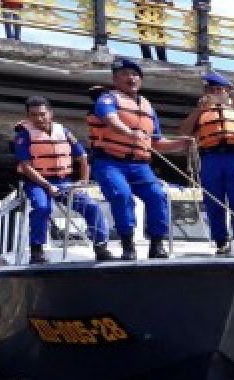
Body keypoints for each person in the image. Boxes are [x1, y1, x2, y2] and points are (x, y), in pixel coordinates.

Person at [87, 58, 191, 260]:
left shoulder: (147, 107)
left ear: (141, 79)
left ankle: (157, 245)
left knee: (157, 195)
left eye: (134, 74)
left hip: (139, 165)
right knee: (121, 195)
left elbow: (157, 143)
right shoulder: (108, 99)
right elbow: (111, 121)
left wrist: (183, 144)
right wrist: (129, 132)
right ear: (115, 80)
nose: (130, 78)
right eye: (124, 74)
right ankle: (128, 245)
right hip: (110, 162)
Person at [12, 96, 112, 264]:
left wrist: (84, 181)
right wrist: (47, 185)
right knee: (42, 207)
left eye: (42, 114)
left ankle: (101, 247)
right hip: (37, 182)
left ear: (51, 113)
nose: (39, 118)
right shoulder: (23, 136)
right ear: (28, 116)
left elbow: (82, 156)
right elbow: (26, 166)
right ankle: (37, 251)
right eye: (34, 115)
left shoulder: (64, 132)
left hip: (64, 182)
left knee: (92, 206)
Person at [179, 72, 234, 255]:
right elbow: (184, 131)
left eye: (219, 90)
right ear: (205, 92)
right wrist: (198, 111)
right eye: (211, 90)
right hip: (210, 159)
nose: (215, 93)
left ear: (227, 92)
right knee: (213, 201)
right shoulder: (201, 112)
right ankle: (221, 241)